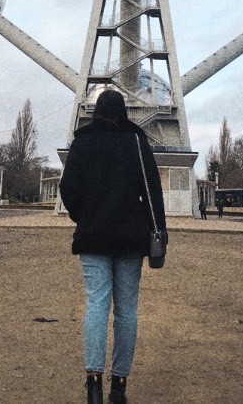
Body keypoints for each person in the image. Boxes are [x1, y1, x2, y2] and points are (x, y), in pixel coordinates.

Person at [59, 89, 167, 404]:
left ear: (95, 111)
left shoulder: (82, 142)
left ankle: (93, 384)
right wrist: (158, 230)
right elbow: (153, 191)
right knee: (126, 311)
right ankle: (118, 387)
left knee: (96, 307)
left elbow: (67, 187)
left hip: (93, 236)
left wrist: (84, 216)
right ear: (124, 112)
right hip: (130, 237)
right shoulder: (136, 142)